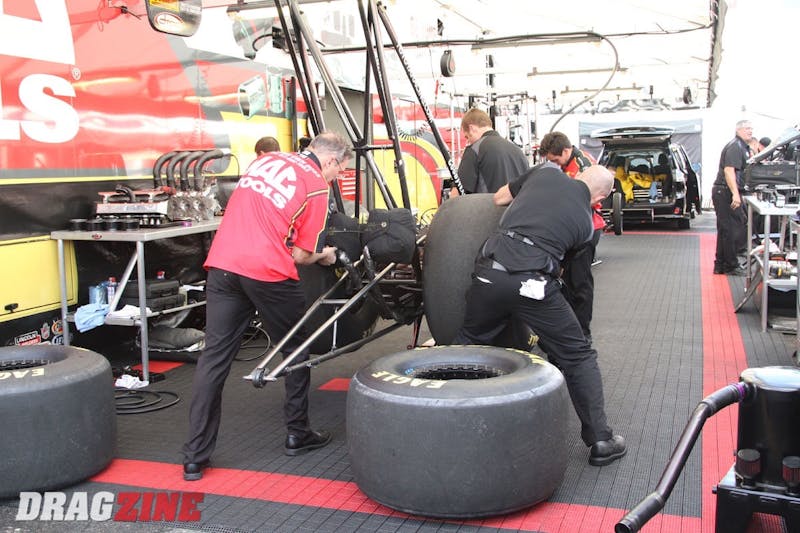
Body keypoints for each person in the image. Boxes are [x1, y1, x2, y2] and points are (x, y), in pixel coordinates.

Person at [182, 131, 350, 481]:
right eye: (341, 170)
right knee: (296, 349)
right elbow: (301, 255)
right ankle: (298, 433)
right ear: (331, 160)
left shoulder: (266, 160)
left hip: (224, 265)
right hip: (267, 272)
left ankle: (195, 456)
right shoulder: (316, 186)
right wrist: (326, 255)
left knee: (214, 358)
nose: (339, 177)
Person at [453, 163, 626, 466]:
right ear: (600, 199)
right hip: (533, 285)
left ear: (578, 175)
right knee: (578, 355)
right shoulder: (586, 226)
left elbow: (499, 198)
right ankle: (601, 440)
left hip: (489, 274)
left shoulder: (544, 173)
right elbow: (571, 279)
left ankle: (442, 419)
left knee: (468, 344)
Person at [538, 131, 602, 341]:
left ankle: (582, 334)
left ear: (566, 151)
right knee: (565, 282)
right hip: (570, 231)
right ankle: (568, 329)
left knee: (579, 284)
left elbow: (584, 200)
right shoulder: (567, 165)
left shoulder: (583, 167)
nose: (554, 164)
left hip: (585, 231)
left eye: (556, 160)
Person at [450, 108, 529, 197]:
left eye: (467, 137)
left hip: (489, 205)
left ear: (471, 128)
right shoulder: (518, 152)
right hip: (520, 205)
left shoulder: (475, 150)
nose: (468, 141)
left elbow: (457, 195)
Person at [712, 120, 753, 275]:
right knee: (732, 229)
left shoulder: (741, 146)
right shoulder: (736, 146)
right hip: (725, 192)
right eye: (747, 128)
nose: (750, 131)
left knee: (726, 229)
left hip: (724, 191)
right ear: (738, 130)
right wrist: (735, 193)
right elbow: (729, 171)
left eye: (751, 128)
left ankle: (721, 264)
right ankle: (730, 264)